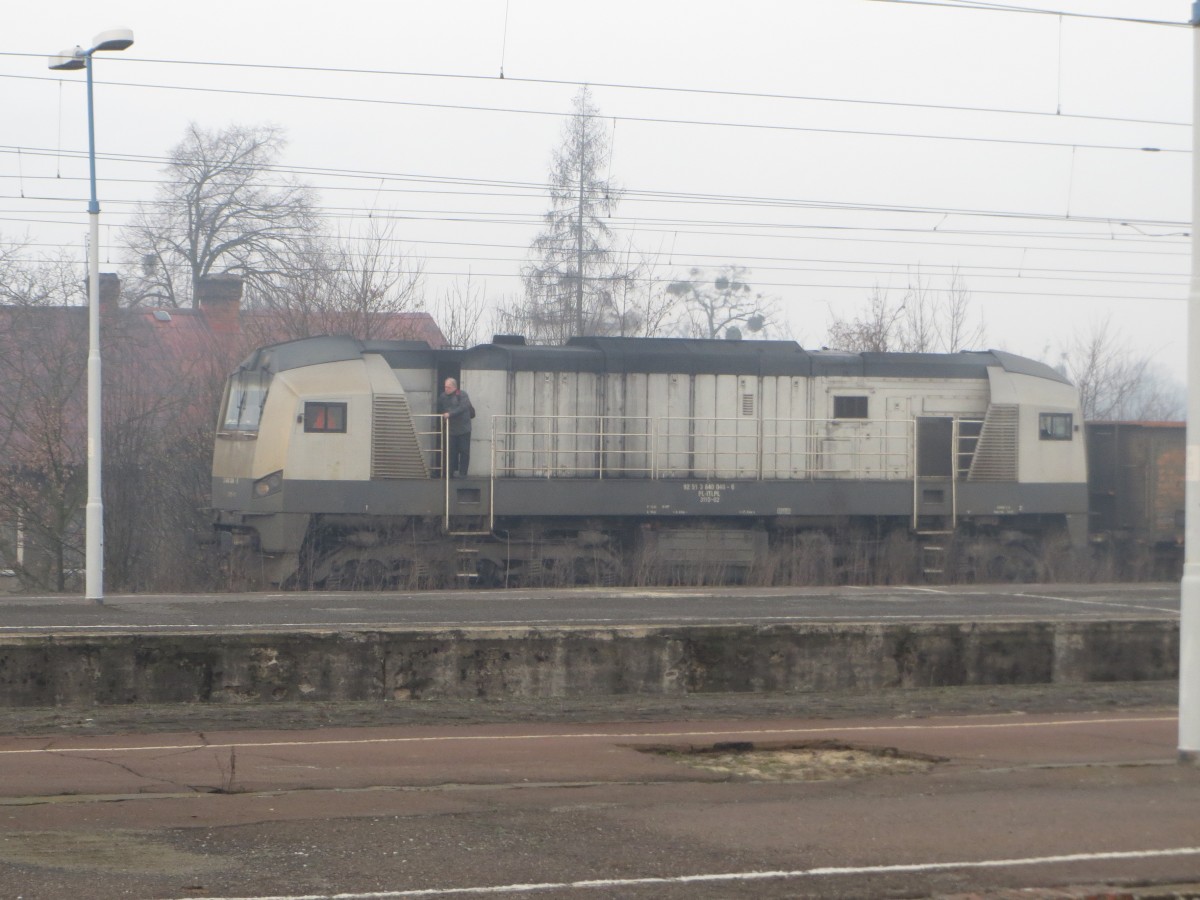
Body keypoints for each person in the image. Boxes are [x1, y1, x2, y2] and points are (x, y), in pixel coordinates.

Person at [437, 377, 473, 477]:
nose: (446, 389)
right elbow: (440, 408)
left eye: (448, 387)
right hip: (451, 429)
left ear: (454, 387)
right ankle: (449, 473)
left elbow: (463, 407)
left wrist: (450, 414)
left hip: (464, 429)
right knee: (450, 452)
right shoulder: (442, 396)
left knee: (464, 452)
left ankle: (463, 474)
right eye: (445, 387)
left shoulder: (462, 394)